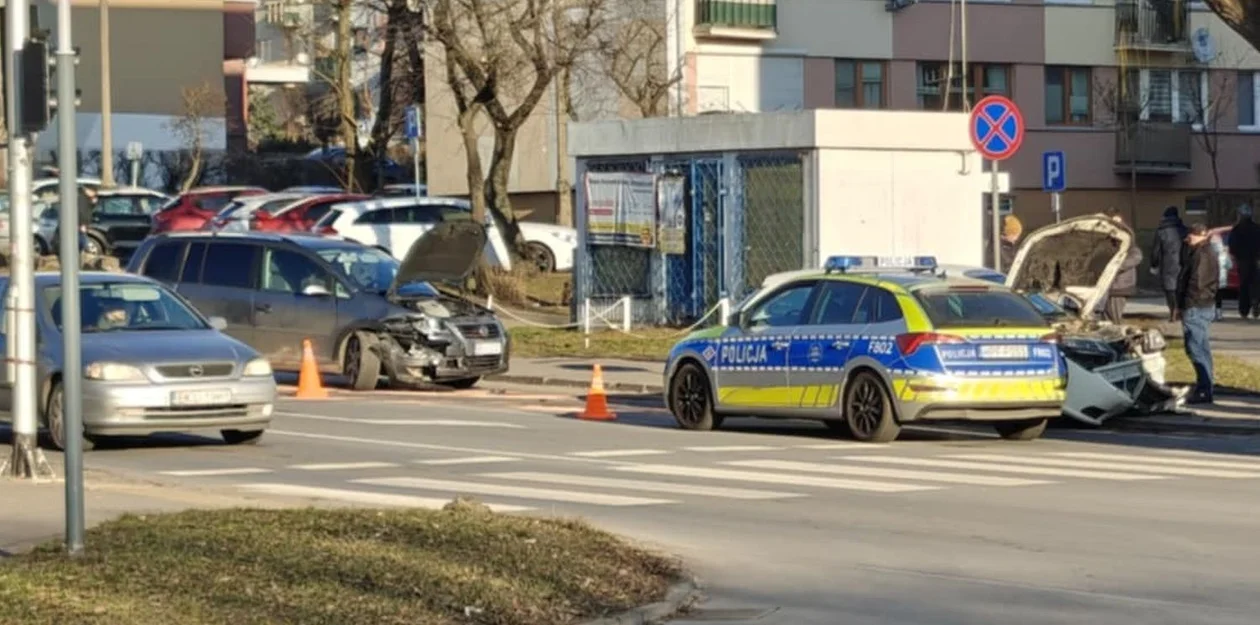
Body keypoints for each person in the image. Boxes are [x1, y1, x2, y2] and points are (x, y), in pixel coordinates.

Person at [1177, 223, 1220, 404]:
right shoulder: (1203, 251)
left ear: (1199, 235)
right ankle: (1205, 386)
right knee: (1201, 347)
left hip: (1196, 305)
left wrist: (1186, 304)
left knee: (1195, 348)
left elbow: (1197, 282)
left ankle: (1204, 388)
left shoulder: (1201, 254)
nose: (1188, 240)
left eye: (1191, 236)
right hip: (1203, 304)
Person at [1104, 209, 1143, 323]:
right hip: (1107, 286)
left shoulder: (1126, 238)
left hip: (1118, 286)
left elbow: (1136, 256)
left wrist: (1115, 267)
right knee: (1106, 317)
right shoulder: (1104, 239)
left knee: (1113, 317)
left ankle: (1115, 337)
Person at [1150, 206, 1186, 321]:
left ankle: (1173, 310)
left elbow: (1156, 250)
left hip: (1168, 262)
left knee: (1169, 288)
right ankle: (1181, 310)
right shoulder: (1184, 229)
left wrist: (1154, 264)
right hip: (1184, 262)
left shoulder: (1161, 231)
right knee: (1181, 287)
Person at [1227, 203, 1260, 319]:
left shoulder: (1236, 230)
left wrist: (1236, 255)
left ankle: (1244, 310)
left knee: (1244, 285)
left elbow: (1232, 245)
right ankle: (1256, 302)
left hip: (1242, 260)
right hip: (1256, 259)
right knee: (1255, 284)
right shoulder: (1257, 228)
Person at [1211, 229, 1232, 320]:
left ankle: (1212, 313)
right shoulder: (1224, 253)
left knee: (1211, 297)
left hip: (1210, 280)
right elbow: (1229, 265)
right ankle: (1219, 313)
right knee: (1219, 297)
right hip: (1221, 279)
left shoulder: (1208, 252)